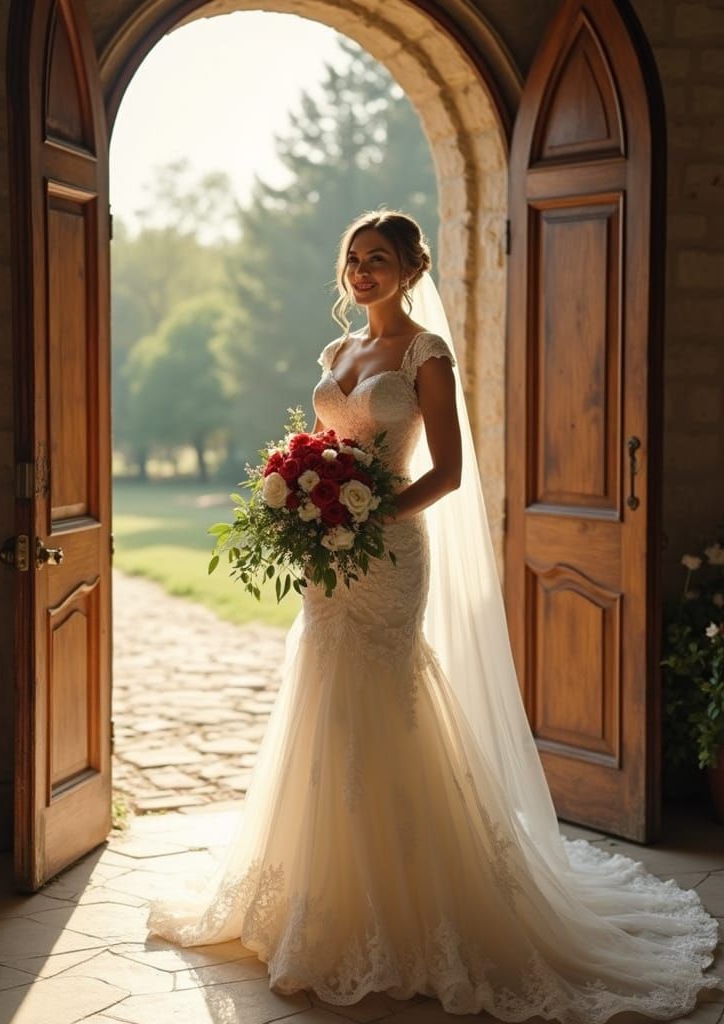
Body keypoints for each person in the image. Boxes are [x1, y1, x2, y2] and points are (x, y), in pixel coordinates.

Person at [147, 209, 721, 1020]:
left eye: (378, 258)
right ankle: (323, 888)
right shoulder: (336, 352)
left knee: (390, 700)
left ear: (412, 269)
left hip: (388, 553)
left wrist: (363, 516)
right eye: (353, 258)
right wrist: (301, 494)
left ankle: (415, 901)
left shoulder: (426, 355)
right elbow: (320, 441)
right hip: (328, 558)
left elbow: (447, 472)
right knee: (323, 693)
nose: (361, 271)